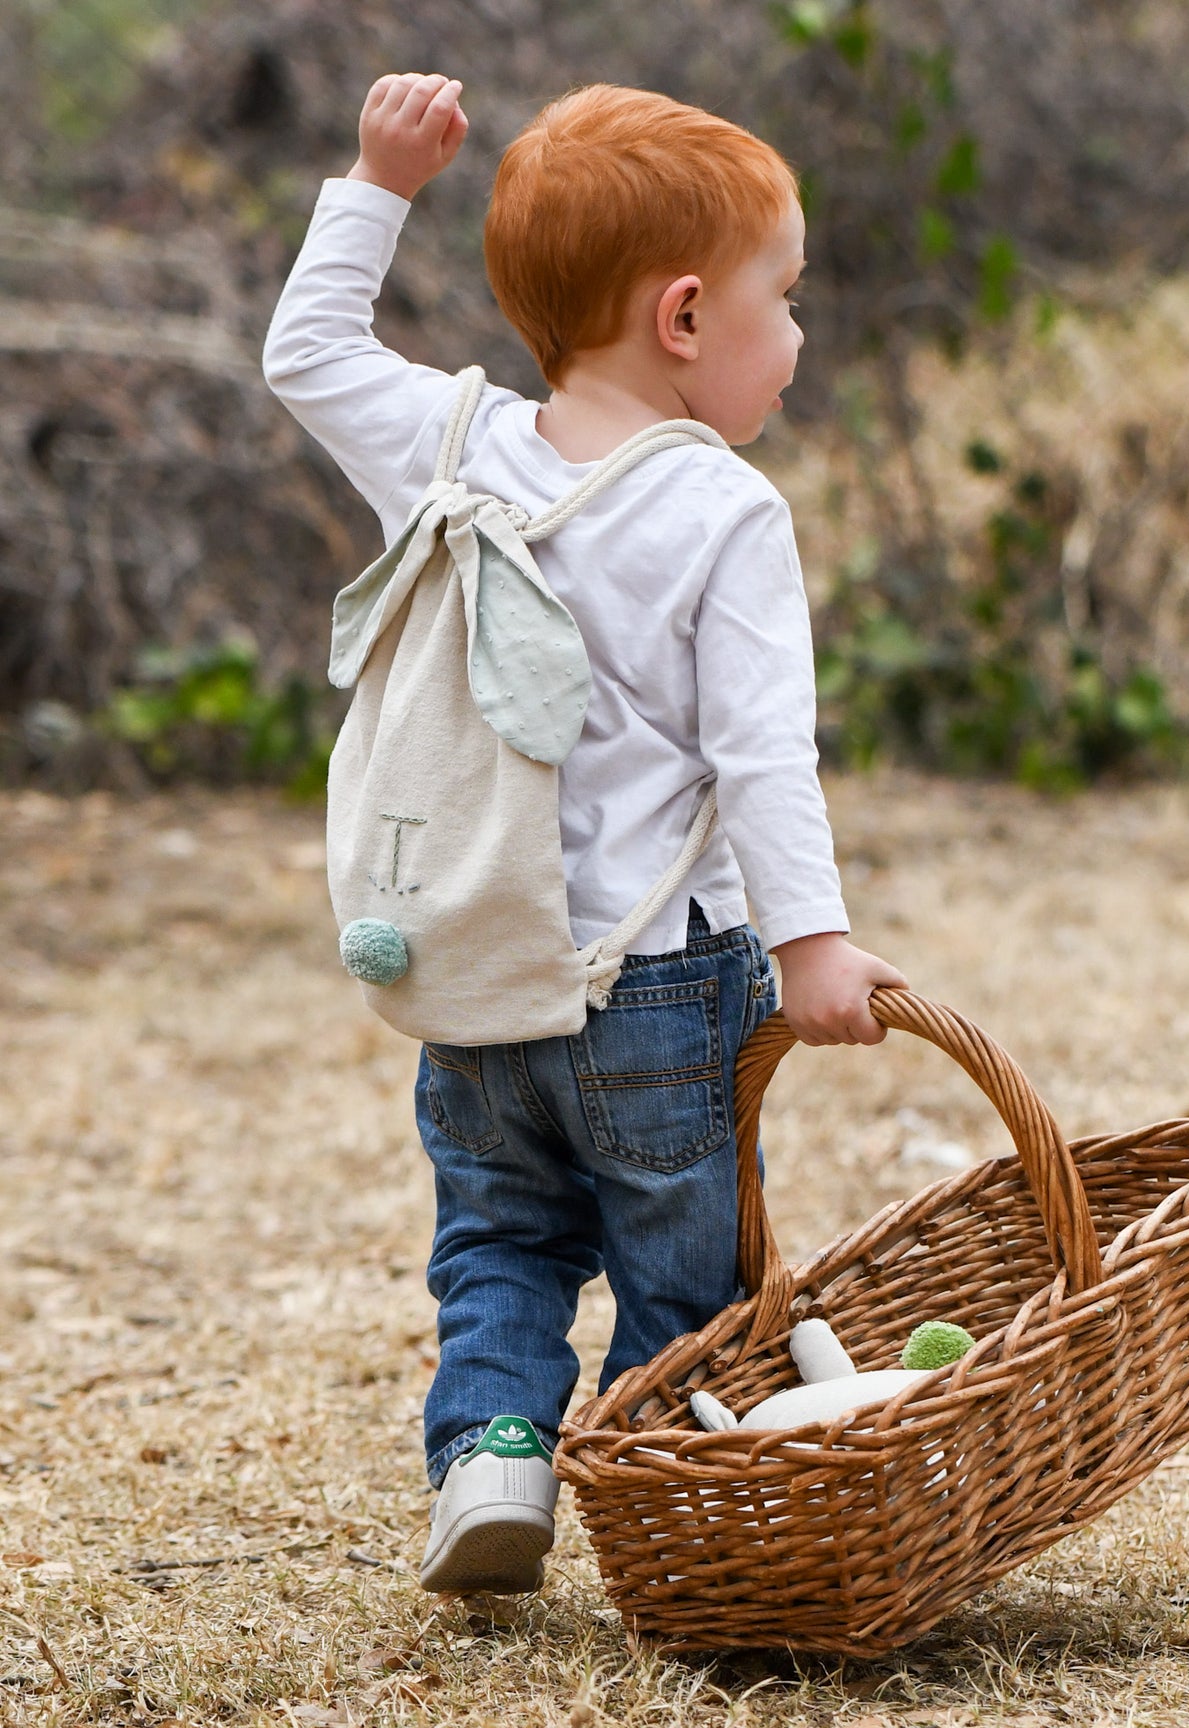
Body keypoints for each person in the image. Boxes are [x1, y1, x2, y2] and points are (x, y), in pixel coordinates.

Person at [263, 72, 906, 1596]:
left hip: (479, 970)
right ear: (684, 318)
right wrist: (810, 943)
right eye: (784, 298)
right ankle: (678, 1524)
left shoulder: (447, 442)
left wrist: (376, 181)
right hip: (659, 989)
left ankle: (489, 1456)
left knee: (498, 1240)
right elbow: (762, 761)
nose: (797, 337)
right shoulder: (722, 512)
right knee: (686, 1276)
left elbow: (303, 353)